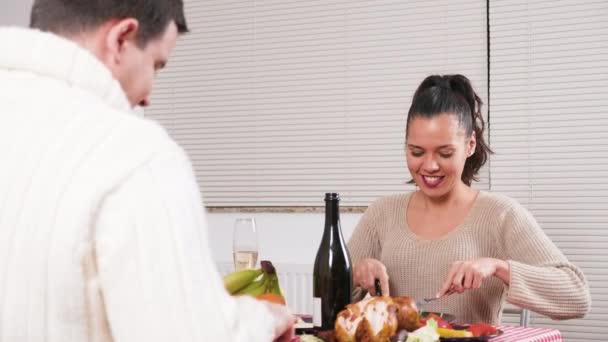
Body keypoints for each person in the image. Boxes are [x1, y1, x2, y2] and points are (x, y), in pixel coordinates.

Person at [0, 1, 294, 341]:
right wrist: (262, 321)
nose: (148, 97)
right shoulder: (134, 154)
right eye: (157, 65)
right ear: (121, 38)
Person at [347, 74, 591, 325]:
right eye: (416, 152)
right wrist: (355, 274)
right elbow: (324, 299)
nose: (429, 165)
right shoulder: (382, 212)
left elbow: (577, 296)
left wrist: (499, 268)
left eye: (445, 153)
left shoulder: (499, 214)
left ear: (470, 144)